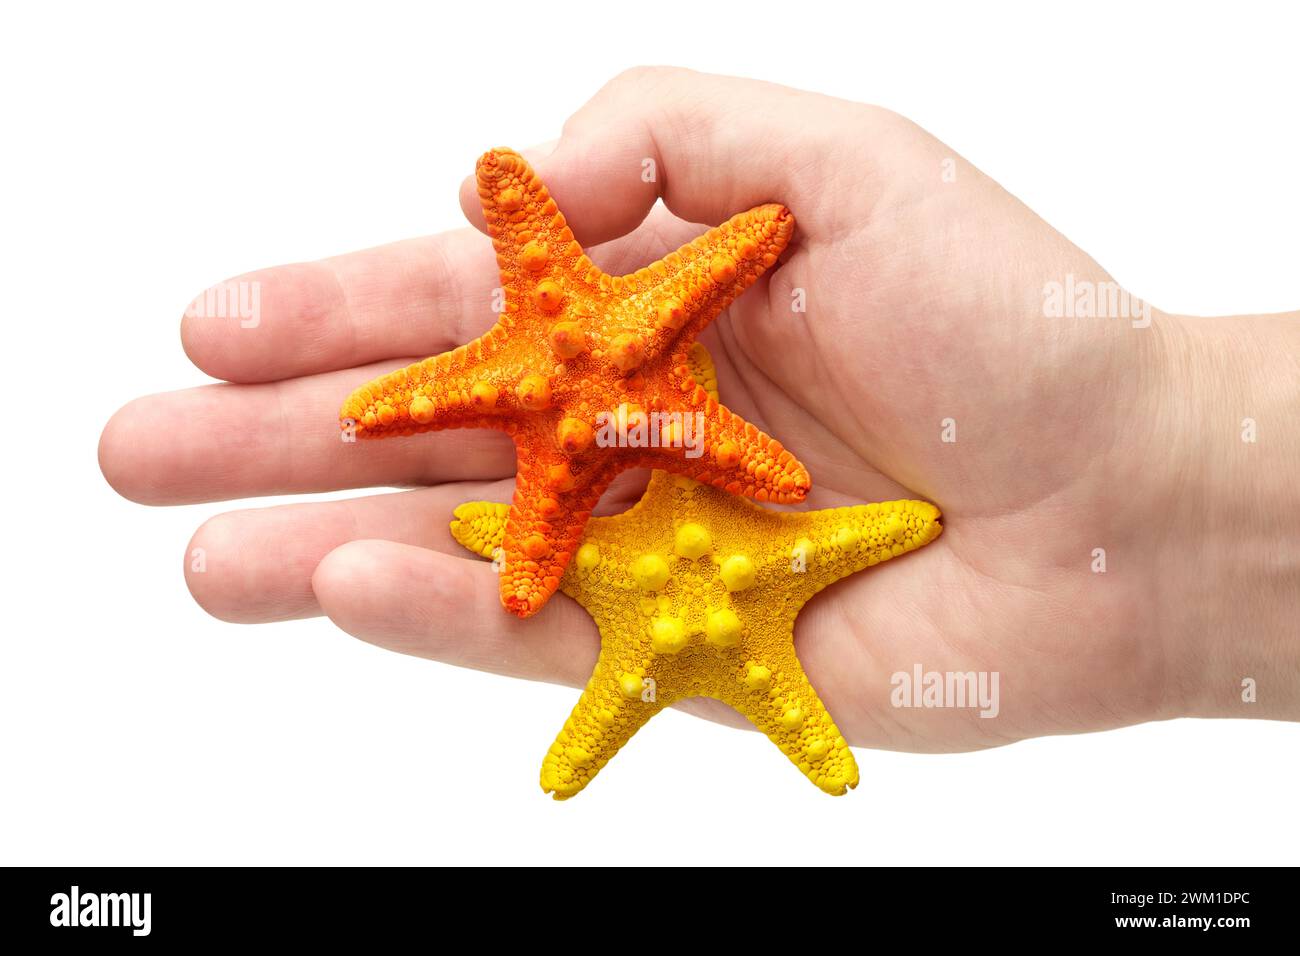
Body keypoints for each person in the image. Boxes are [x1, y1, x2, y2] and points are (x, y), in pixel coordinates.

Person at [98, 67, 1299, 750]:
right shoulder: (619, 390)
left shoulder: (670, 387)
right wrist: (1168, 478)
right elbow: (578, 442)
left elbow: (713, 404)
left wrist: (1162, 458)